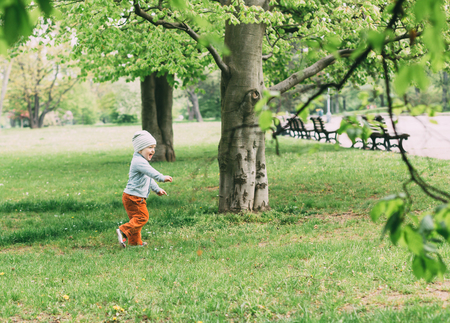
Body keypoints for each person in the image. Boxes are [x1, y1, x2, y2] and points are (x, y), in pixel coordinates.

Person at [116, 130, 173, 247]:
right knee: (142, 217)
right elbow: (151, 173)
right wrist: (162, 178)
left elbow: (148, 178)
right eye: (150, 147)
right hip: (134, 197)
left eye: (154, 147)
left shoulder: (141, 161)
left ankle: (135, 243)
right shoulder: (139, 162)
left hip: (131, 196)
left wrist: (157, 189)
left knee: (135, 221)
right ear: (140, 149)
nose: (153, 150)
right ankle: (123, 231)